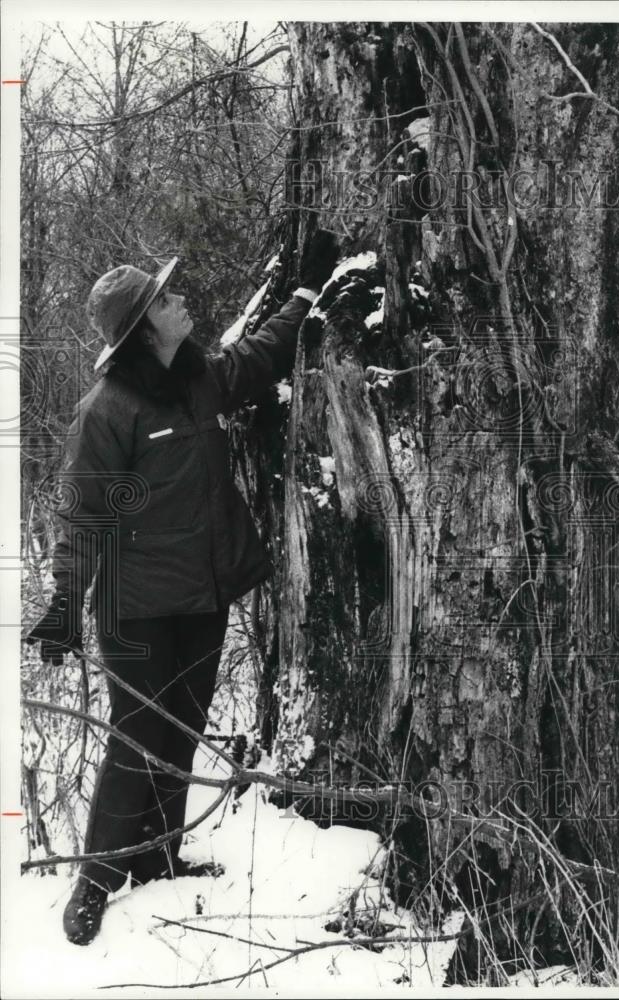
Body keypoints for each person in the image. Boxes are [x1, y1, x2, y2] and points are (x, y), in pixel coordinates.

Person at [25, 230, 341, 945]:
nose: (182, 300)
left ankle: (160, 858)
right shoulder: (106, 410)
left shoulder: (199, 376)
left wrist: (304, 292)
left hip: (203, 598)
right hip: (135, 612)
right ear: (143, 328)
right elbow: (84, 515)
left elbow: (260, 358)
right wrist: (61, 607)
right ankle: (94, 881)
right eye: (168, 298)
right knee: (134, 742)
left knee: (183, 730)